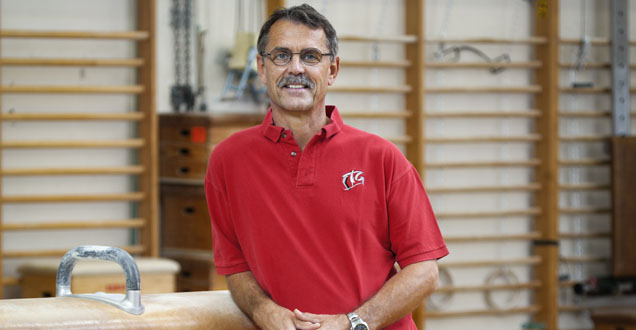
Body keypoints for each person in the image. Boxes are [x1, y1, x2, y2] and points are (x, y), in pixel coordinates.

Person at [205, 4, 448, 330]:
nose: (295, 68)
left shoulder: (382, 157)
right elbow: (235, 267)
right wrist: (264, 311)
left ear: (332, 70)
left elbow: (424, 272)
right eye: (281, 56)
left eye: (310, 56)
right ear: (261, 68)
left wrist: (353, 323)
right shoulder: (227, 161)